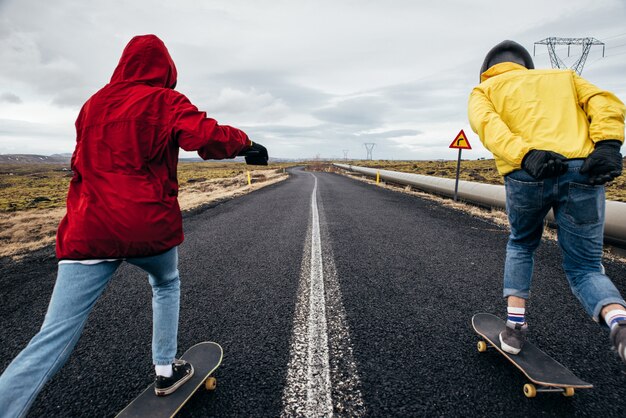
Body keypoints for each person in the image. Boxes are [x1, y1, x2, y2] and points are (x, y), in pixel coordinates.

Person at [0, 34, 268, 417]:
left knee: (52, 335)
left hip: (88, 230)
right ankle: (165, 369)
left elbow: (82, 162)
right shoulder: (165, 100)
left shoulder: (91, 105)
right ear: (167, 69)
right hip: (147, 227)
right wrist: (246, 143)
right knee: (165, 283)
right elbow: (206, 137)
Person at [468, 40, 626, 362]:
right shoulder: (564, 77)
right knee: (584, 267)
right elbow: (603, 101)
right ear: (527, 65)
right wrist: (608, 143)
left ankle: (514, 330)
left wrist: (525, 155)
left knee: (522, 244)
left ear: (487, 71)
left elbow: (488, 127)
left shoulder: (484, 90)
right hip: (581, 169)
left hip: (527, 173)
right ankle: (619, 321)